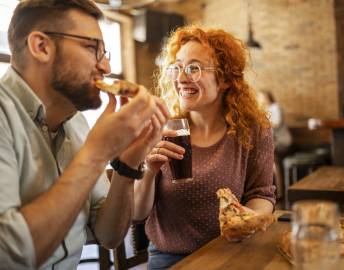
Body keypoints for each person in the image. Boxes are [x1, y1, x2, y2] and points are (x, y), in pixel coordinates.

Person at [0, 0, 169, 269]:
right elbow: (9, 256)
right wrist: (97, 152)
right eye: (92, 49)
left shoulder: (77, 122)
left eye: (105, 53)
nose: (105, 67)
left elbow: (109, 235)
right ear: (41, 47)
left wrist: (127, 164)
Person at [133, 25, 276, 269]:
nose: (180, 78)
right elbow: (137, 213)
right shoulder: (161, 129)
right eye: (177, 68)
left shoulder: (253, 131)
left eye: (194, 68)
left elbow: (261, 194)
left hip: (232, 253)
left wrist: (248, 220)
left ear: (226, 79)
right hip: (171, 258)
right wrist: (149, 170)